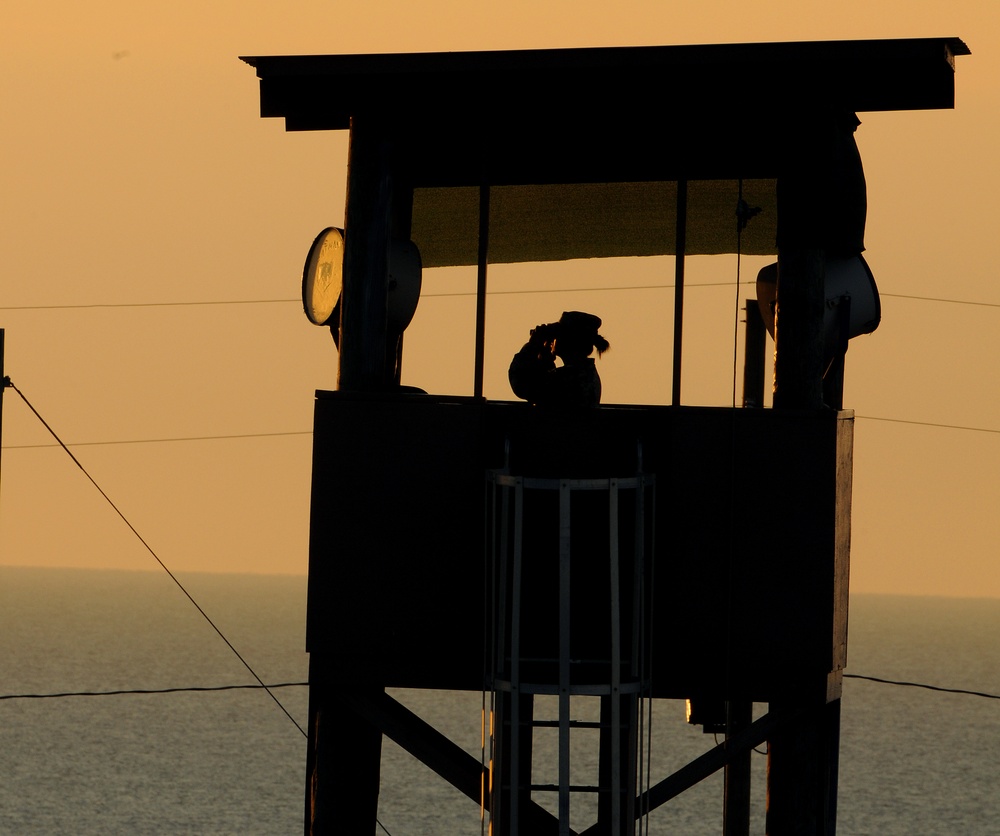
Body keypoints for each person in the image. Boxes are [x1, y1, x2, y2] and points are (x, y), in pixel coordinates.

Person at [508, 311, 610, 407]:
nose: (554, 339)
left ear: (569, 341)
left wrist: (533, 345)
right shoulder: (583, 374)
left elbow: (522, 385)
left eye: (558, 335)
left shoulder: (570, 378)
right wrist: (545, 360)